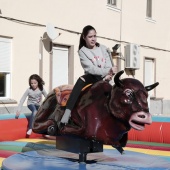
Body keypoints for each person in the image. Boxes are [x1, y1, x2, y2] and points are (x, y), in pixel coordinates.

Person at [60, 25, 117, 126]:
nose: (93, 39)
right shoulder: (82, 51)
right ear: (84, 37)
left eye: (95, 36)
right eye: (90, 37)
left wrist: (108, 75)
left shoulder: (104, 49)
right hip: (91, 77)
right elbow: (90, 68)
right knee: (81, 80)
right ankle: (67, 112)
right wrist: (107, 72)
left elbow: (109, 65)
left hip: (106, 77)